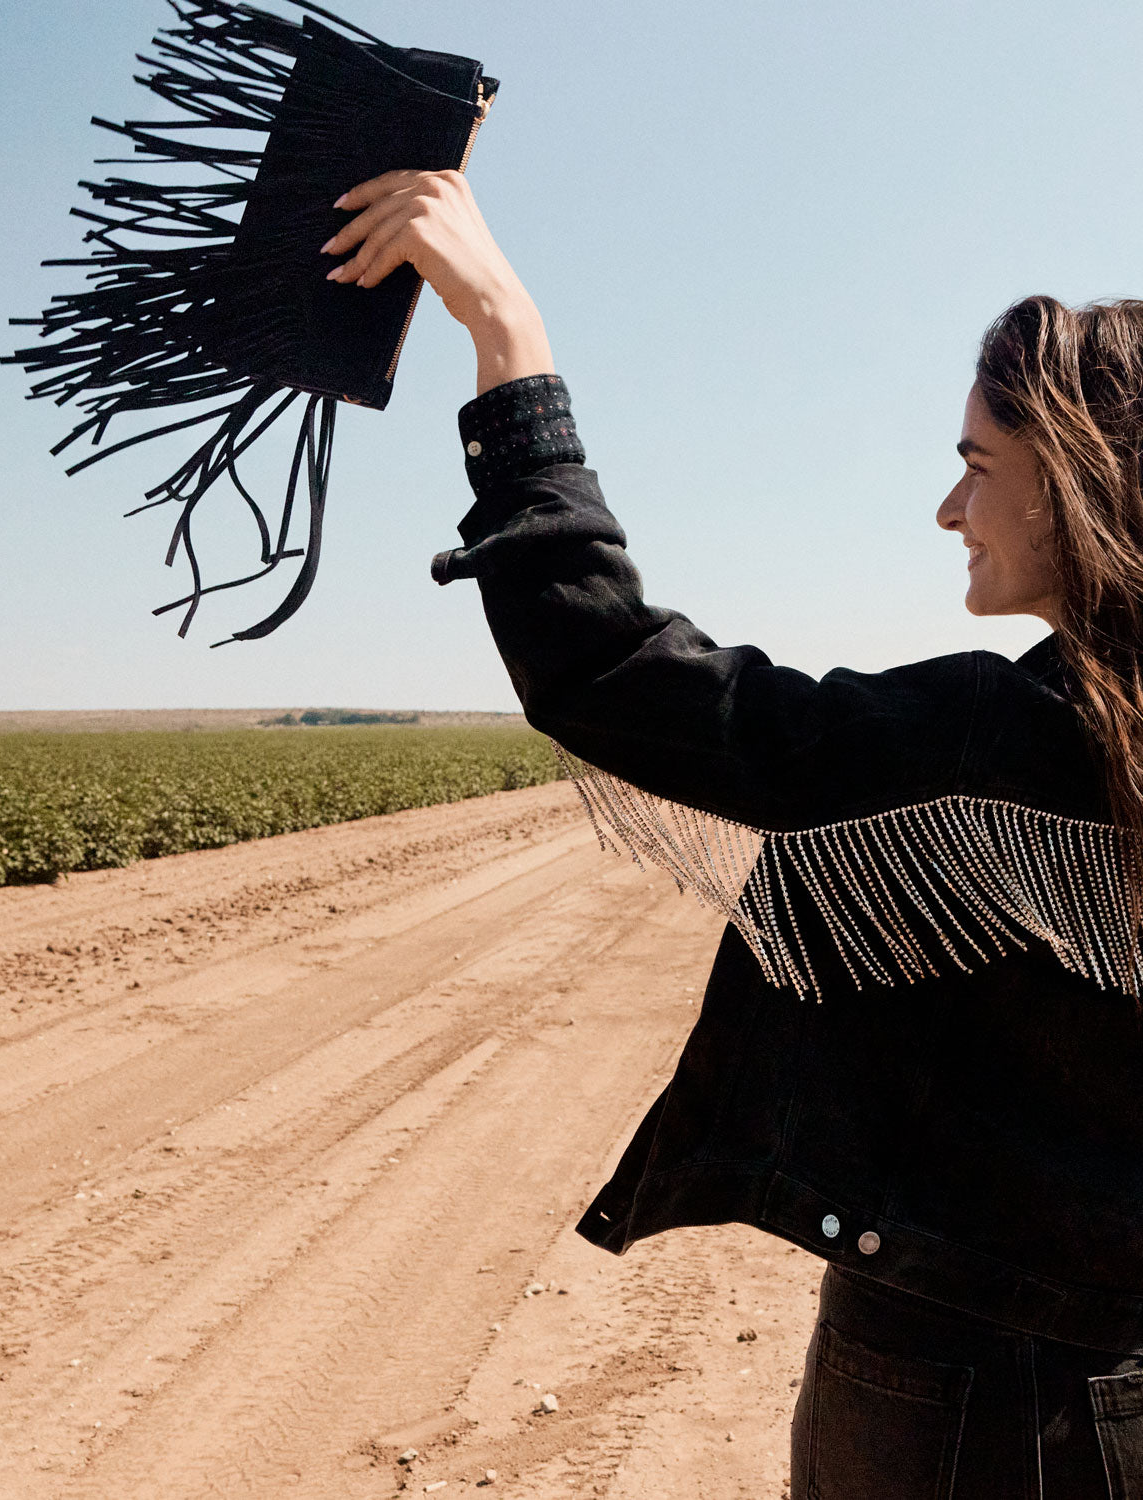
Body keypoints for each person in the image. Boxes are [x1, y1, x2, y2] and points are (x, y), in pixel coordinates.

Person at [320, 169, 1143, 1497]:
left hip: (957, 1384)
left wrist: (510, 347)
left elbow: (620, 678)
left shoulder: (997, 737)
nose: (949, 512)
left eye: (976, 468)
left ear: (1070, 487)